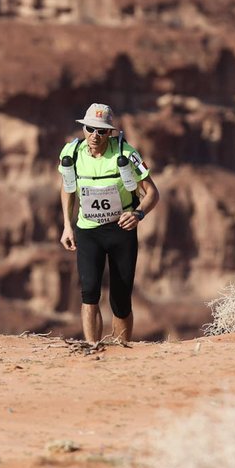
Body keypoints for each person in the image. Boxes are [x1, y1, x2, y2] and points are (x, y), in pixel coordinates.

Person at [58, 102, 159, 346]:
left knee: (120, 300)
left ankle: (121, 351)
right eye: (90, 129)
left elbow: (152, 192)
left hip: (121, 231)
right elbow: (67, 188)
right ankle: (93, 350)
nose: (95, 135)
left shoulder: (126, 154)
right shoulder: (71, 154)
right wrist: (67, 225)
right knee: (89, 293)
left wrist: (138, 214)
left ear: (110, 132)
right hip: (88, 231)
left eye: (101, 131)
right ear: (83, 129)